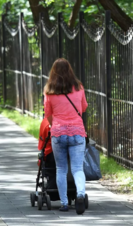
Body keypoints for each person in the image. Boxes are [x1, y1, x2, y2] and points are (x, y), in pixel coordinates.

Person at [44, 58, 88, 214]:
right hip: (77, 132)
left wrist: (53, 124)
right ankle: (80, 194)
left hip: (58, 132)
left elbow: (48, 114)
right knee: (77, 168)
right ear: (70, 70)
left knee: (61, 169)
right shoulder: (79, 87)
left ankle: (64, 203)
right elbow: (83, 108)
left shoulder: (49, 90)